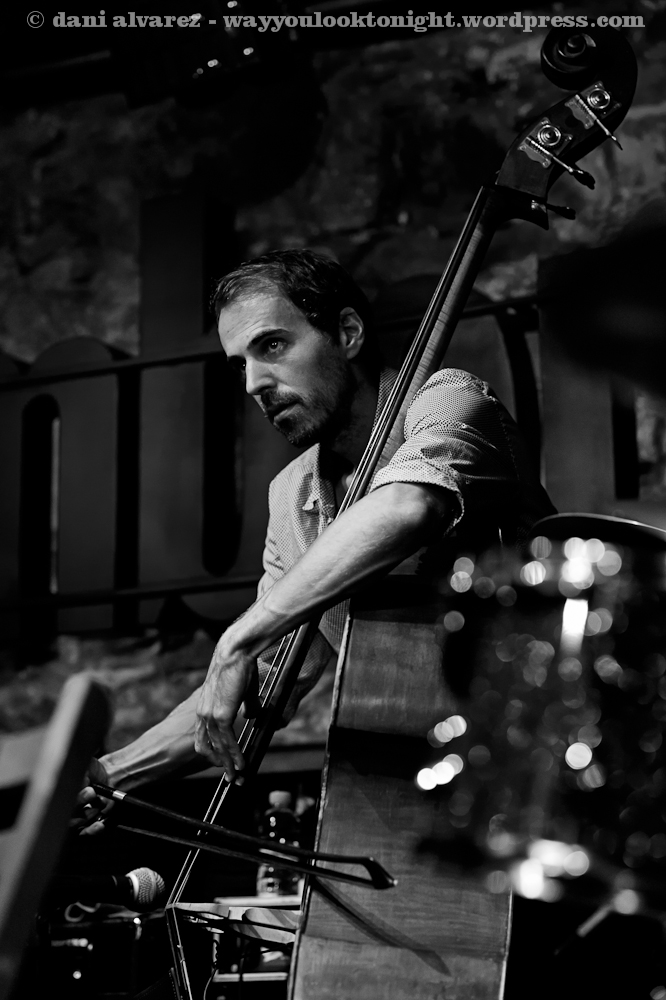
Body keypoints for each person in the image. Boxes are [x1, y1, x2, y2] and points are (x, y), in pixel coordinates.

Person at [76, 249, 555, 830]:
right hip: (420, 801)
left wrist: (237, 640)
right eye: (240, 364)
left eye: (273, 345)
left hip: (541, 766)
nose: (254, 383)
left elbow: (410, 505)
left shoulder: (449, 400)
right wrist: (108, 775)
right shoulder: (292, 495)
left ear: (347, 333)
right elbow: (261, 686)